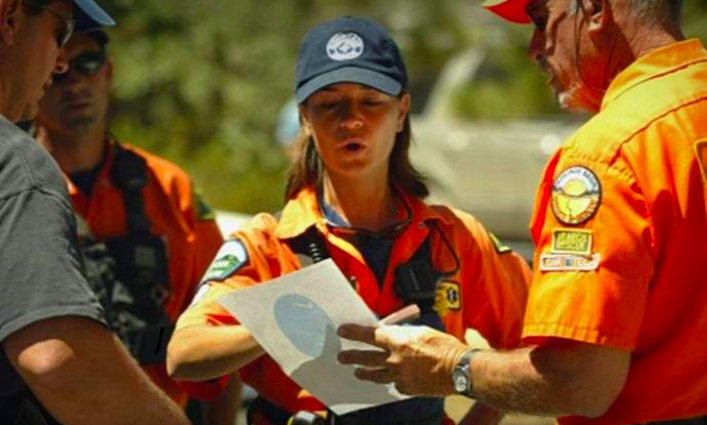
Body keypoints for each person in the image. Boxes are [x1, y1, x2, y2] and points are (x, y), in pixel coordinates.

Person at [338, 1, 707, 424]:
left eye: (540, 21)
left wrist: (449, 367)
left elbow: (578, 381)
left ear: (594, 9)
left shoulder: (608, 154)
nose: (534, 48)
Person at [166, 15, 531, 425]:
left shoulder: (456, 238)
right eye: (329, 104)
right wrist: (275, 325)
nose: (351, 120)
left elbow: (537, 346)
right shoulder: (268, 244)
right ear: (305, 117)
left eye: (371, 101)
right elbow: (184, 356)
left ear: (401, 111)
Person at [32, 28, 242, 424]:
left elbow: (225, 322)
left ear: (108, 72)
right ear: (39, 74)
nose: (75, 81)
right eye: (60, 70)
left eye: (88, 63)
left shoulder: (168, 188)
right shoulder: (17, 189)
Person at [0, 0, 190, 424]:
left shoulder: (167, 187)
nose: (64, 63)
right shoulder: (15, 166)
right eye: (61, 31)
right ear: (10, 18)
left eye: (88, 59)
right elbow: (58, 360)